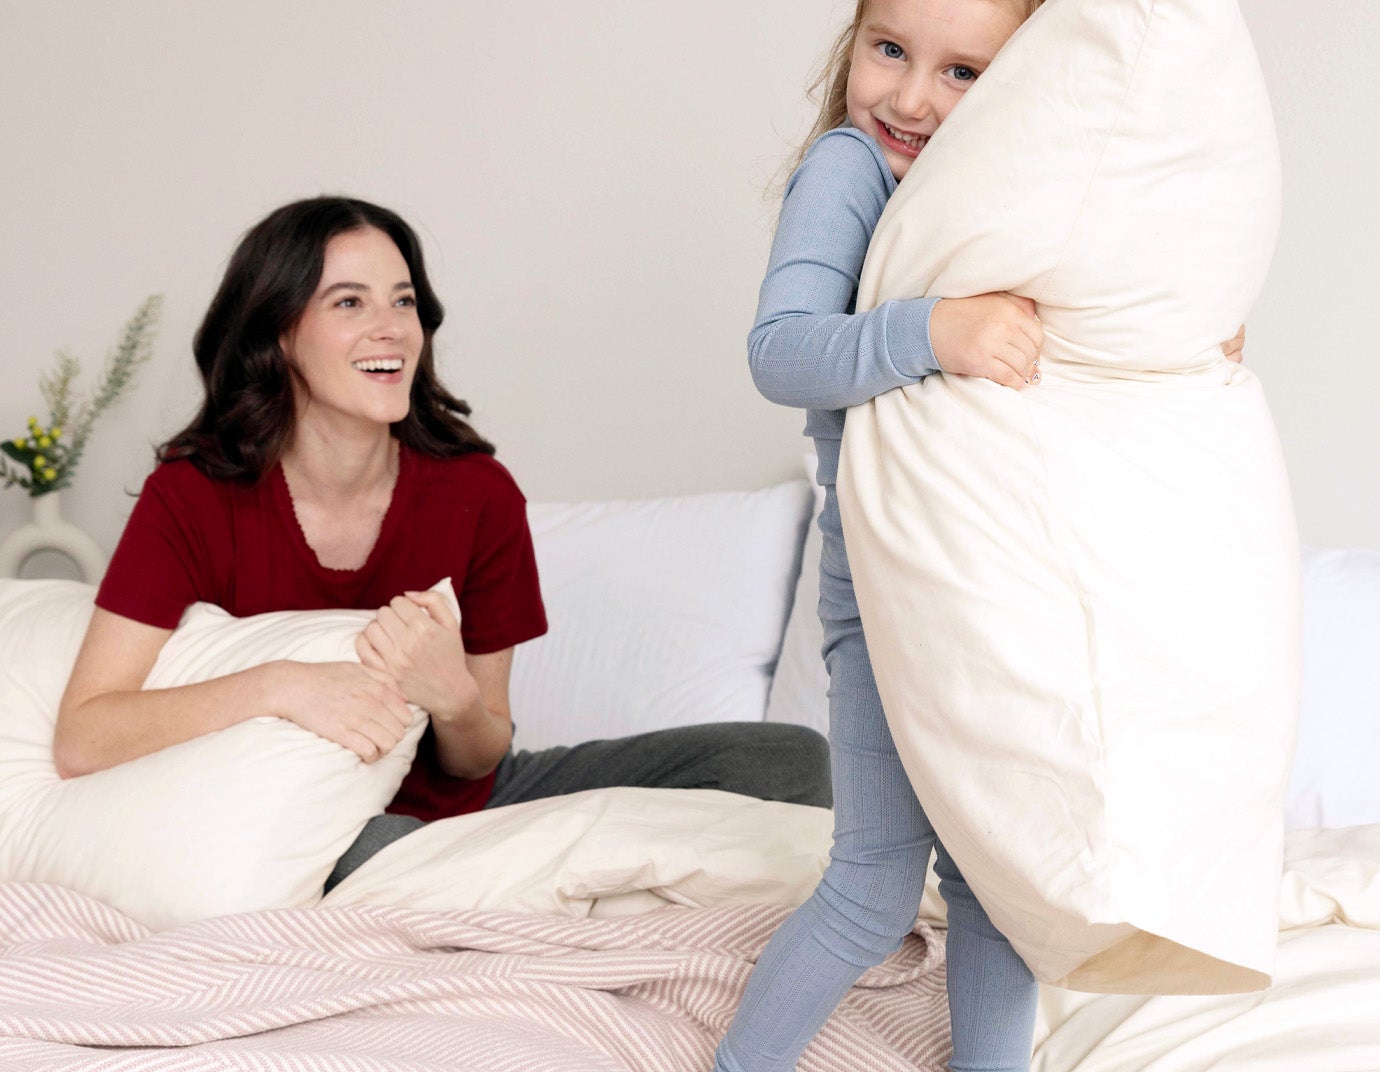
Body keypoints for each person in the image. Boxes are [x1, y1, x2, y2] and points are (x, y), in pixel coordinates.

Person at [667, 0, 1247, 1072]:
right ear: (854, 43)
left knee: (998, 883)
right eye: (890, 49)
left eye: (963, 69)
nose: (913, 96)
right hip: (887, 598)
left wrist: (1183, 335)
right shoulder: (847, 168)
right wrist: (932, 331)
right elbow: (784, 350)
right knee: (877, 880)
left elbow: (1091, 327)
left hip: (999, 597)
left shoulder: (1026, 204)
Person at [54, 198, 830, 877]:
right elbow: (86, 736)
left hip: (476, 813)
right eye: (349, 303)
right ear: (279, 332)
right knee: (364, 851)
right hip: (311, 828)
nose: (391, 328)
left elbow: (479, 755)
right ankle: (551, 880)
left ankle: (520, 878)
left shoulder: (476, 493)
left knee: (786, 759)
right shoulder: (194, 496)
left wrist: (450, 693)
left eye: (403, 301)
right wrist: (281, 686)